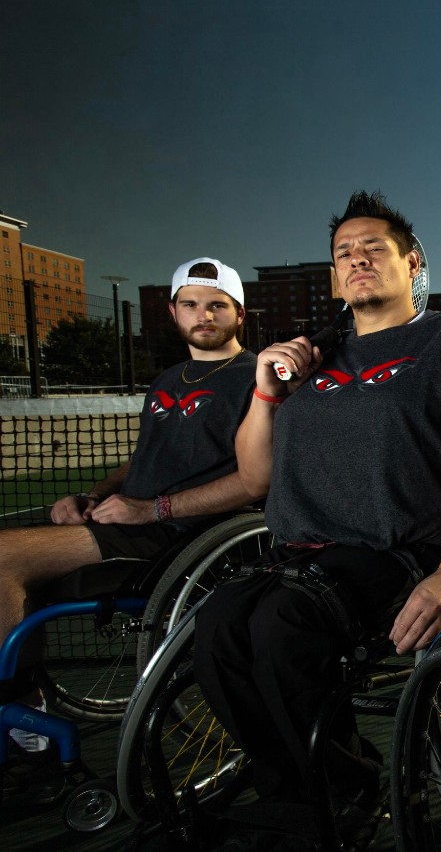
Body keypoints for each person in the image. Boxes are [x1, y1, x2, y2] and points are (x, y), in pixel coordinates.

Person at [192, 191, 441, 847]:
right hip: (297, 551)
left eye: (373, 247)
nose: (356, 258)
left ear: (412, 263)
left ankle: (337, 790)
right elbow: (256, 476)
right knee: (215, 628)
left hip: (397, 550)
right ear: (332, 277)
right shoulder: (309, 359)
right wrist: (266, 390)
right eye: (343, 252)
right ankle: (302, 790)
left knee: (280, 626)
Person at [0, 257, 257, 751]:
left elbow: (254, 482)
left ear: (239, 314)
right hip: (124, 519)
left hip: (177, 534)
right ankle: (26, 704)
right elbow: (141, 461)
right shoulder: (167, 380)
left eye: (217, 306)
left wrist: (152, 509)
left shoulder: (255, 379)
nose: (203, 315)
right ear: (173, 311)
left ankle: (21, 716)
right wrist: (91, 496)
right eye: (191, 305)